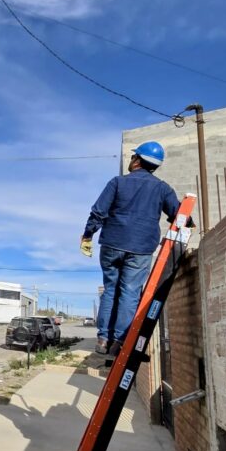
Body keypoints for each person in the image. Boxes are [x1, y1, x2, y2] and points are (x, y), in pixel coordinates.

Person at [80, 141, 181, 355]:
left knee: (110, 289)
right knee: (130, 292)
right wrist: (189, 223)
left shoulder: (117, 182)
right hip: (141, 248)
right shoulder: (162, 188)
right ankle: (120, 341)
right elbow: (179, 215)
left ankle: (103, 340)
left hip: (112, 243)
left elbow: (98, 212)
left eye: (133, 156)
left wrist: (88, 235)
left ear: (137, 161)